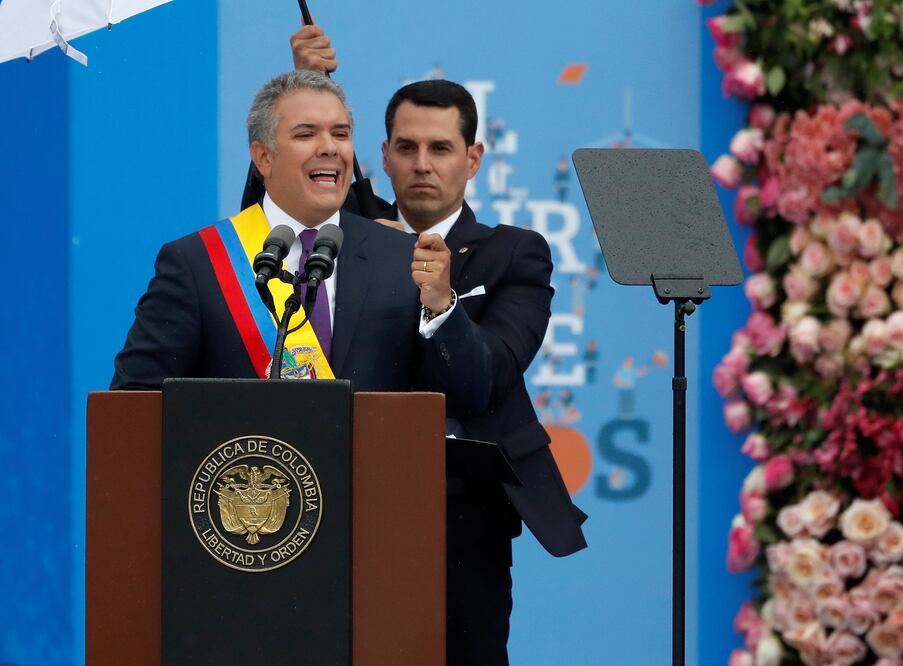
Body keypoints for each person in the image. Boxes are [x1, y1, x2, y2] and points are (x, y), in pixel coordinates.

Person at [288, 29, 587, 662]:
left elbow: (486, 381)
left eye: (441, 148)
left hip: (463, 515)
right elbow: (271, 226)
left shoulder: (515, 252)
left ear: (473, 159)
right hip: (342, 499)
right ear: (386, 157)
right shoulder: (346, 229)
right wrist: (306, 85)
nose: (423, 163)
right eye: (407, 148)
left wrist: (443, 303)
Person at [112, 71, 489, 422]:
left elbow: (470, 399)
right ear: (263, 156)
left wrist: (442, 308)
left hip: (373, 489)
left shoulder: (400, 256)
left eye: (341, 134)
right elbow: (134, 404)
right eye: (306, 134)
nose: (330, 148)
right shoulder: (199, 262)